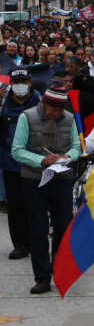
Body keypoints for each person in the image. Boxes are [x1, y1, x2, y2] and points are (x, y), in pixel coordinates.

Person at [11, 77, 81, 294]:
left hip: (61, 179)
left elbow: (77, 146)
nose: (55, 115)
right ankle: (42, 277)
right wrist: (41, 160)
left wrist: (68, 155)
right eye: (52, 110)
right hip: (35, 180)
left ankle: (59, 271)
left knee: (63, 227)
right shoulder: (27, 117)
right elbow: (17, 150)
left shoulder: (69, 118)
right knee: (38, 230)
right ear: (44, 105)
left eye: (59, 111)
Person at [1, 69, 41, 260]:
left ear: (30, 83)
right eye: (16, 81)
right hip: (10, 162)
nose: (20, 85)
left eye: (23, 81)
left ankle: (36, 242)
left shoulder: (39, 103)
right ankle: (20, 244)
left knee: (35, 206)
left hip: (34, 162)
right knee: (15, 206)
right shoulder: (3, 103)